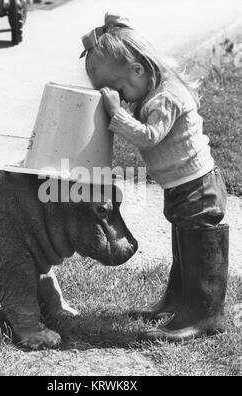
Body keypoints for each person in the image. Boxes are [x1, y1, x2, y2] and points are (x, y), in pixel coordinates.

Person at [80, 12, 229, 342]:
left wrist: (118, 114)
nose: (121, 96)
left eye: (119, 88)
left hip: (198, 185)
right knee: (184, 249)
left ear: (137, 69)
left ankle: (205, 313)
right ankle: (177, 301)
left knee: (200, 247)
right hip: (182, 186)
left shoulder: (167, 97)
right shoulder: (150, 91)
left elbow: (149, 136)